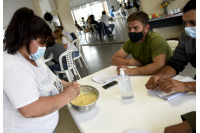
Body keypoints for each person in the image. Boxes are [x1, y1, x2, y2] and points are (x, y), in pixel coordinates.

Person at [3, 7, 80, 133]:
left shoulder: (29, 54)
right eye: (41, 43)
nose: (43, 48)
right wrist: (67, 96)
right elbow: (30, 109)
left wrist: (65, 84)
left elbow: (48, 77)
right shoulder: (10, 65)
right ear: (25, 38)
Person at [146, 1, 196, 132]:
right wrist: (160, 75)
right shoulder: (186, 37)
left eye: (193, 23)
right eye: (185, 23)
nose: (187, 27)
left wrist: (186, 86)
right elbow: (176, 63)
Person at [111, 11, 173, 75]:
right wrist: (132, 62)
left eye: (135, 28)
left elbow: (159, 66)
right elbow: (114, 60)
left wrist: (130, 71)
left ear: (146, 28)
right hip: (147, 74)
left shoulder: (155, 39)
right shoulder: (131, 42)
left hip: (165, 75)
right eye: (129, 28)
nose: (132, 31)